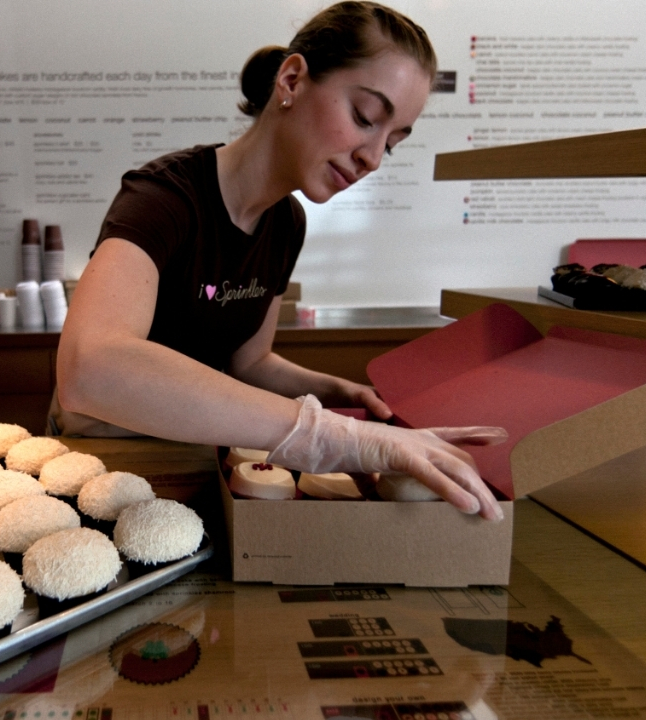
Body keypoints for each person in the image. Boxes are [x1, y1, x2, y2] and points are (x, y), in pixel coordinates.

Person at [55, 1, 506, 520]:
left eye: (393, 142)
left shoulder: (285, 222)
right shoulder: (165, 199)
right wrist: (336, 435)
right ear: (291, 79)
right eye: (365, 118)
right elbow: (90, 367)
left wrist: (344, 394)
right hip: (108, 461)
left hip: (197, 456)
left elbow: (250, 363)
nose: (373, 157)